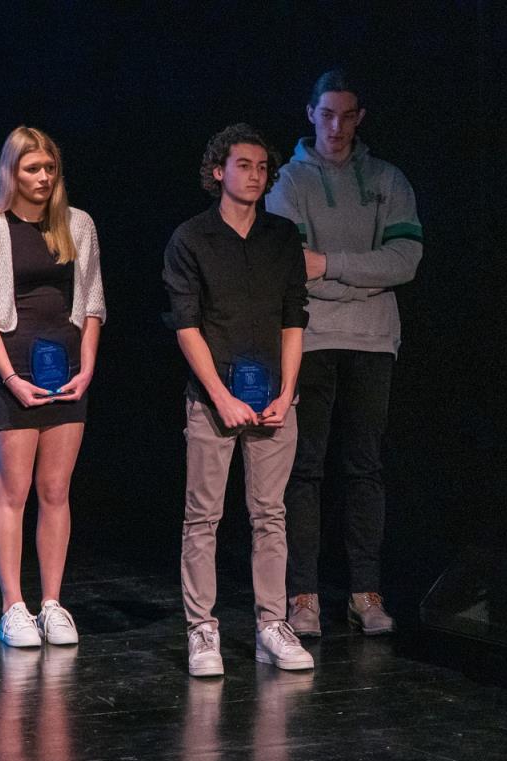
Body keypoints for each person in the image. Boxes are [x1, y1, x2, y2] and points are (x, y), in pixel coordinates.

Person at [266, 69, 422, 636]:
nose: (336, 126)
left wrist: (331, 265)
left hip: (374, 341)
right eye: (327, 114)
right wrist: (363, 277)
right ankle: (303, 596)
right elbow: (291, 266)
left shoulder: (387, 179)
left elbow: (404, 262)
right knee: (304, 469)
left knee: (365, 469)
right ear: (311, 114)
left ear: (360, 118)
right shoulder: (287, 181)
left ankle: (364, 593)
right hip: (310, 340)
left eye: (347, 115)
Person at [163, 123, 315, 676]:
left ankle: (272, 624)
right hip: (214, 401)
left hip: (273, 398)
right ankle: (201, 630)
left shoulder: (282, 236)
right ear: (218, 171)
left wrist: (289, 391)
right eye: (243, 165)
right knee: (203, 516)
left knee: (270, 515)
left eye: (262, 167)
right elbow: (186, 326)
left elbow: (294, 319)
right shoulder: (191, 239)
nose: (254, 176)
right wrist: (220, 397)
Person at [0, 126, 105, 648]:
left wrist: (86, 369)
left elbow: (92, 304)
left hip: (66, 371)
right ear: (12, 172)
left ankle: (52, 603)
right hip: (14, 371)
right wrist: (10, 378)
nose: (43, 177)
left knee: (56, 490)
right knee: (13, 491)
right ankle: (13, 607)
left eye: (49, 168)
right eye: (32, 169)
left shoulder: (78, 224)